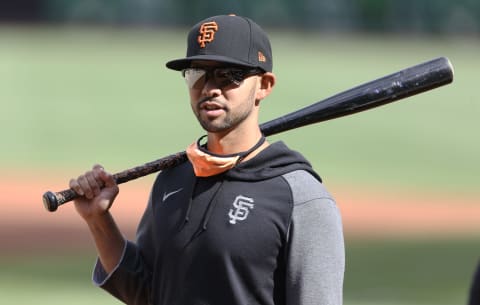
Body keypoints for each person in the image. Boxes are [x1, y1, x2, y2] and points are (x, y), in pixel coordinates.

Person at [69, 14, 345, 305]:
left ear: (264, 85)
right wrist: (98, 220)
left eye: (228, 75)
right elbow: (147, 291)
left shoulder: (301, 199)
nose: (210, 88)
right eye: (197, 73)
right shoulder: (173, 179)